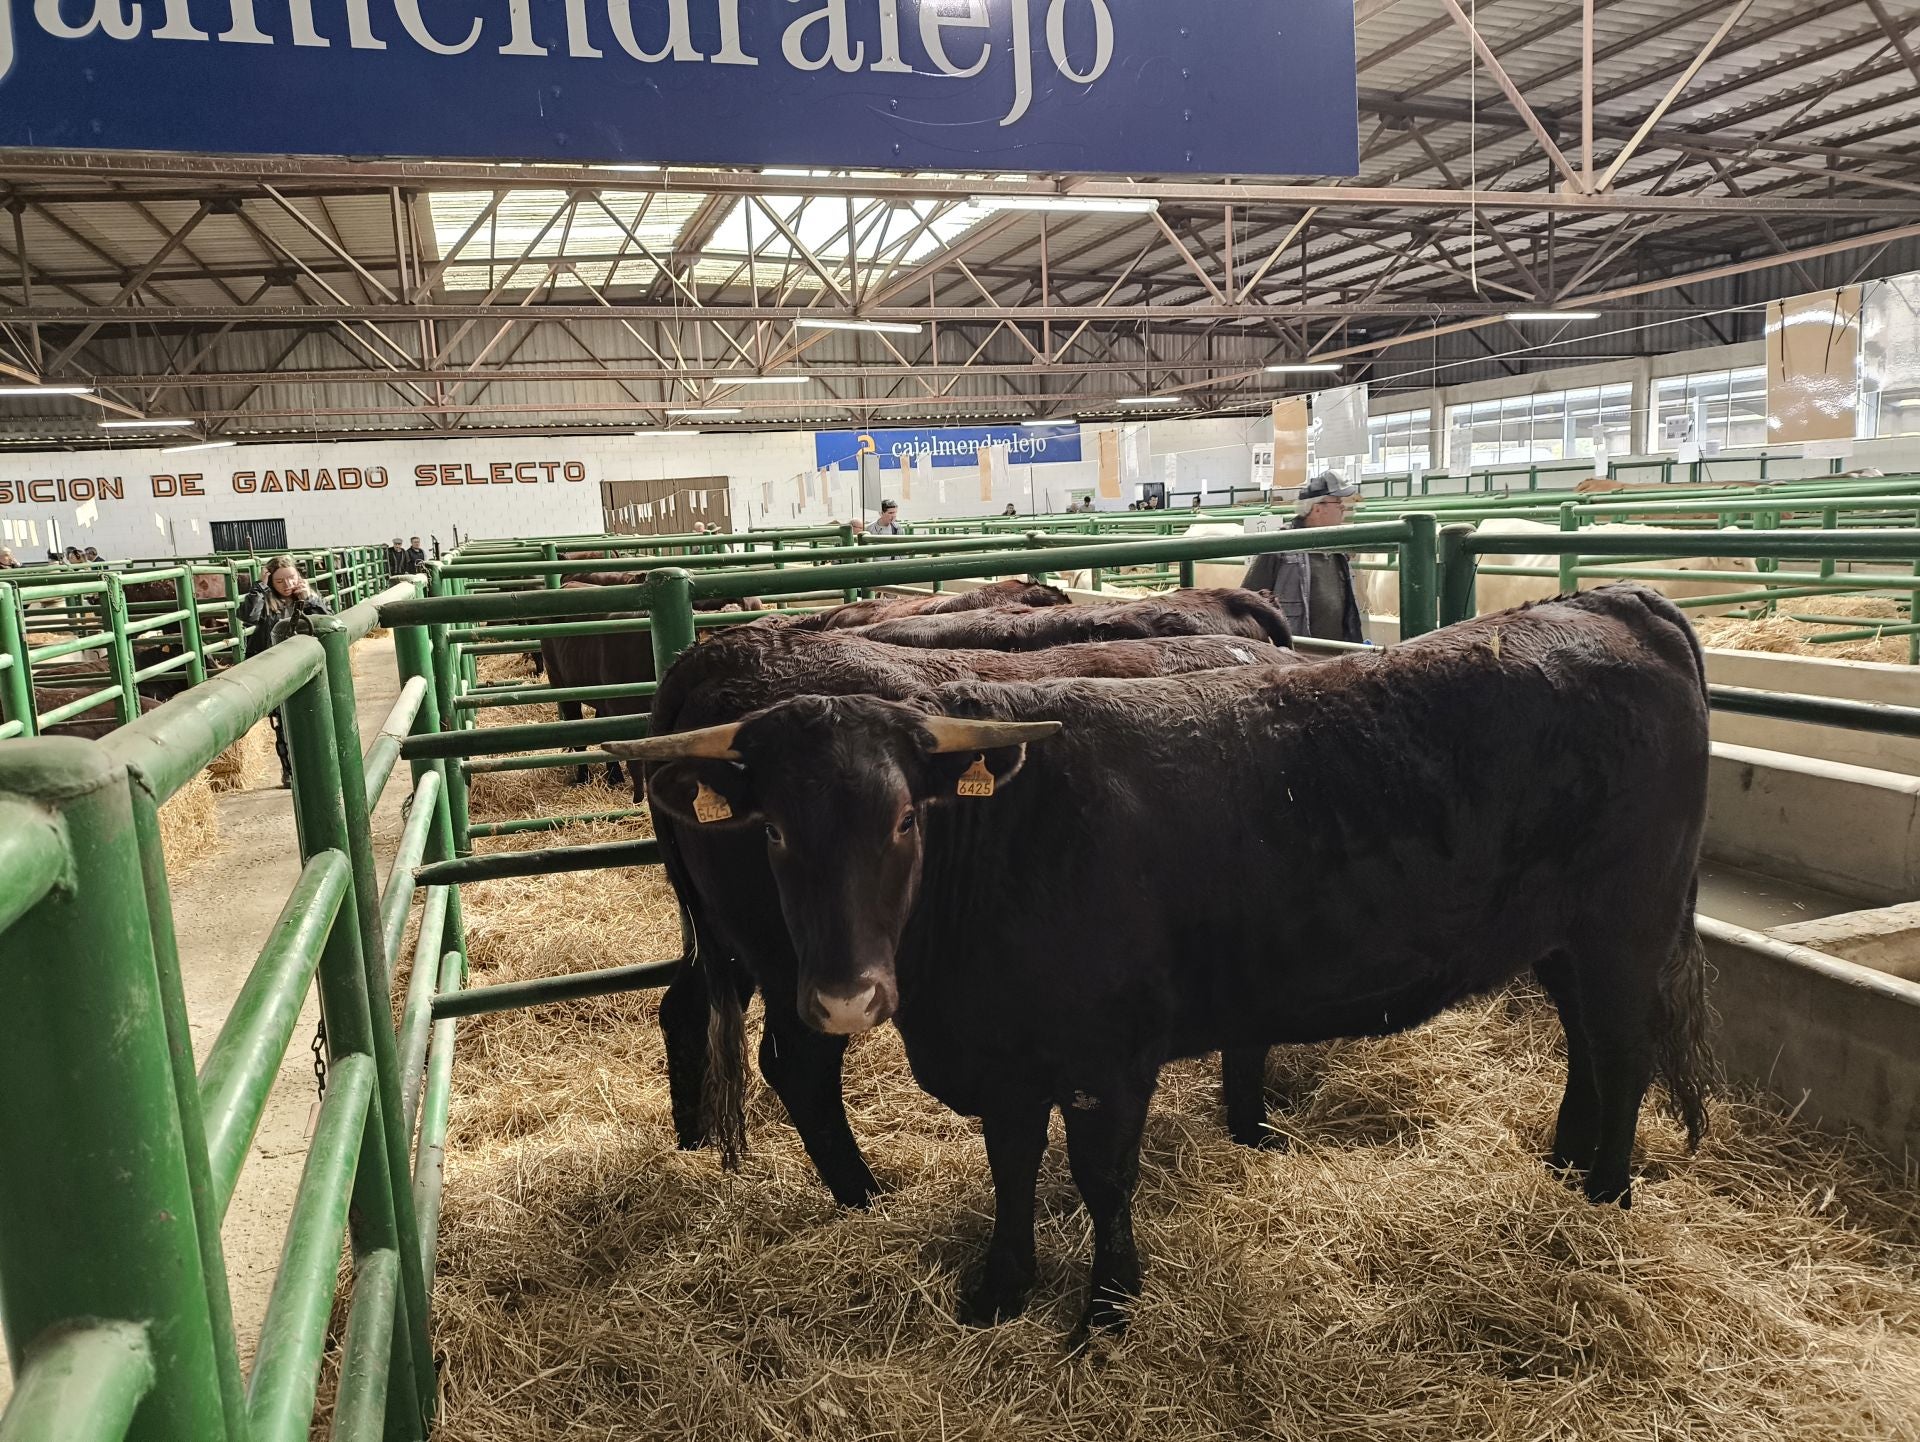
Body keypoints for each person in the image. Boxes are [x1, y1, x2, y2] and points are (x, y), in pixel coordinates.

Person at [1240, 471, 1367, 645]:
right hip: (1296, 655)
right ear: (1317, 508)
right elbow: (1247, 598)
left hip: (1336, 651)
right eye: (1338, 502)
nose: (1343, 507)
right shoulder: (1280, 546)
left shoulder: (1338, 548)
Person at [240, 556, 332, 786]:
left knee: (313, 717)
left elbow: (329, 620)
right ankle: (290, 771)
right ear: (271, 581)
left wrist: (310, 596)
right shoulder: (265, 601)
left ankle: (318, 767)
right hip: (274, 668)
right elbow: (247, 617)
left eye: (291, 578)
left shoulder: (308, 598)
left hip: (307, 664)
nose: (287, 584)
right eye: (280, 581)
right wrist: (259, 587)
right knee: (283, 723)